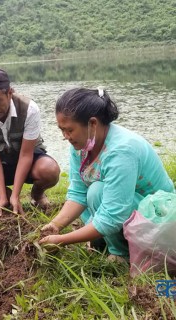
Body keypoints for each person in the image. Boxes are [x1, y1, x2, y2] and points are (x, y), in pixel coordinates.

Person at [39, 87, 174, 260]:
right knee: (90, 193)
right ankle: (103, 239)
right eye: (61, 130)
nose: (65, 136)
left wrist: (63, 240)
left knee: (96, 192)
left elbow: (113, 214)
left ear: (92, 124)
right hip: (129, 209)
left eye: (69, 130)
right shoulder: (82, 145)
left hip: (160, 219)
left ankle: (121, 254)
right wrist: (55, 225)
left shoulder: (121, 151)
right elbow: (78, 193)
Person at [0, 68, 60, 217]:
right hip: (1, 162)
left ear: (10, 93)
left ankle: (37, 195)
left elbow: (26, 154)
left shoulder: (30, 109)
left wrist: (17, 196)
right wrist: (4, 195)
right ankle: (4, 195)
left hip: (29, 159)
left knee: (49, 170)